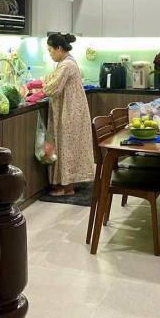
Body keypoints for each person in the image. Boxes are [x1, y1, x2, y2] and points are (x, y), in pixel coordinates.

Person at [42, 33, 95, 196]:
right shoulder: (67, 61)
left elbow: (51, 88)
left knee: (67, 146)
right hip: (72, 110)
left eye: (50, 50)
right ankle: (66, 184)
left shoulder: (66, 65)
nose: (50, 54)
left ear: (59, 48)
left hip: (70, 111)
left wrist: (42, 84)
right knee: (69, 146)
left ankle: (67, 188)